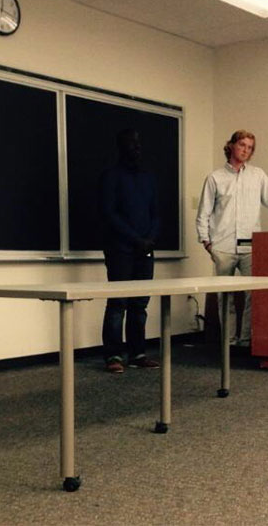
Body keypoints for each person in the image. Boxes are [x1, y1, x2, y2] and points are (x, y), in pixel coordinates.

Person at [196, 130, 268, 347]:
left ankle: (245, 340)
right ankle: (229, 342)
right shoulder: (215, 178)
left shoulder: (258, 176)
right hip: (223, 247)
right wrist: (206, 242)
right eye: (242, 145)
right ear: (231, 146)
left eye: (250, 147)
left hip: (250, 247)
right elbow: (204, 212)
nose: (245, 150)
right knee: (225, 297)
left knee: (253, 295)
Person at [99, 129, 160, 374]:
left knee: (140, 303)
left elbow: (156, 213)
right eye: (131, 143)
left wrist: (150, 238)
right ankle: (113, 354)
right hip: (120, 249)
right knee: (118, 302)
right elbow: (109, 213)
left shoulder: (148, 178)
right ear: (121, 146)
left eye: (139, 143)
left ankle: (137, 353)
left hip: (145, 249)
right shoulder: (111, 176)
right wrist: (136, 239)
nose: (137, 147)